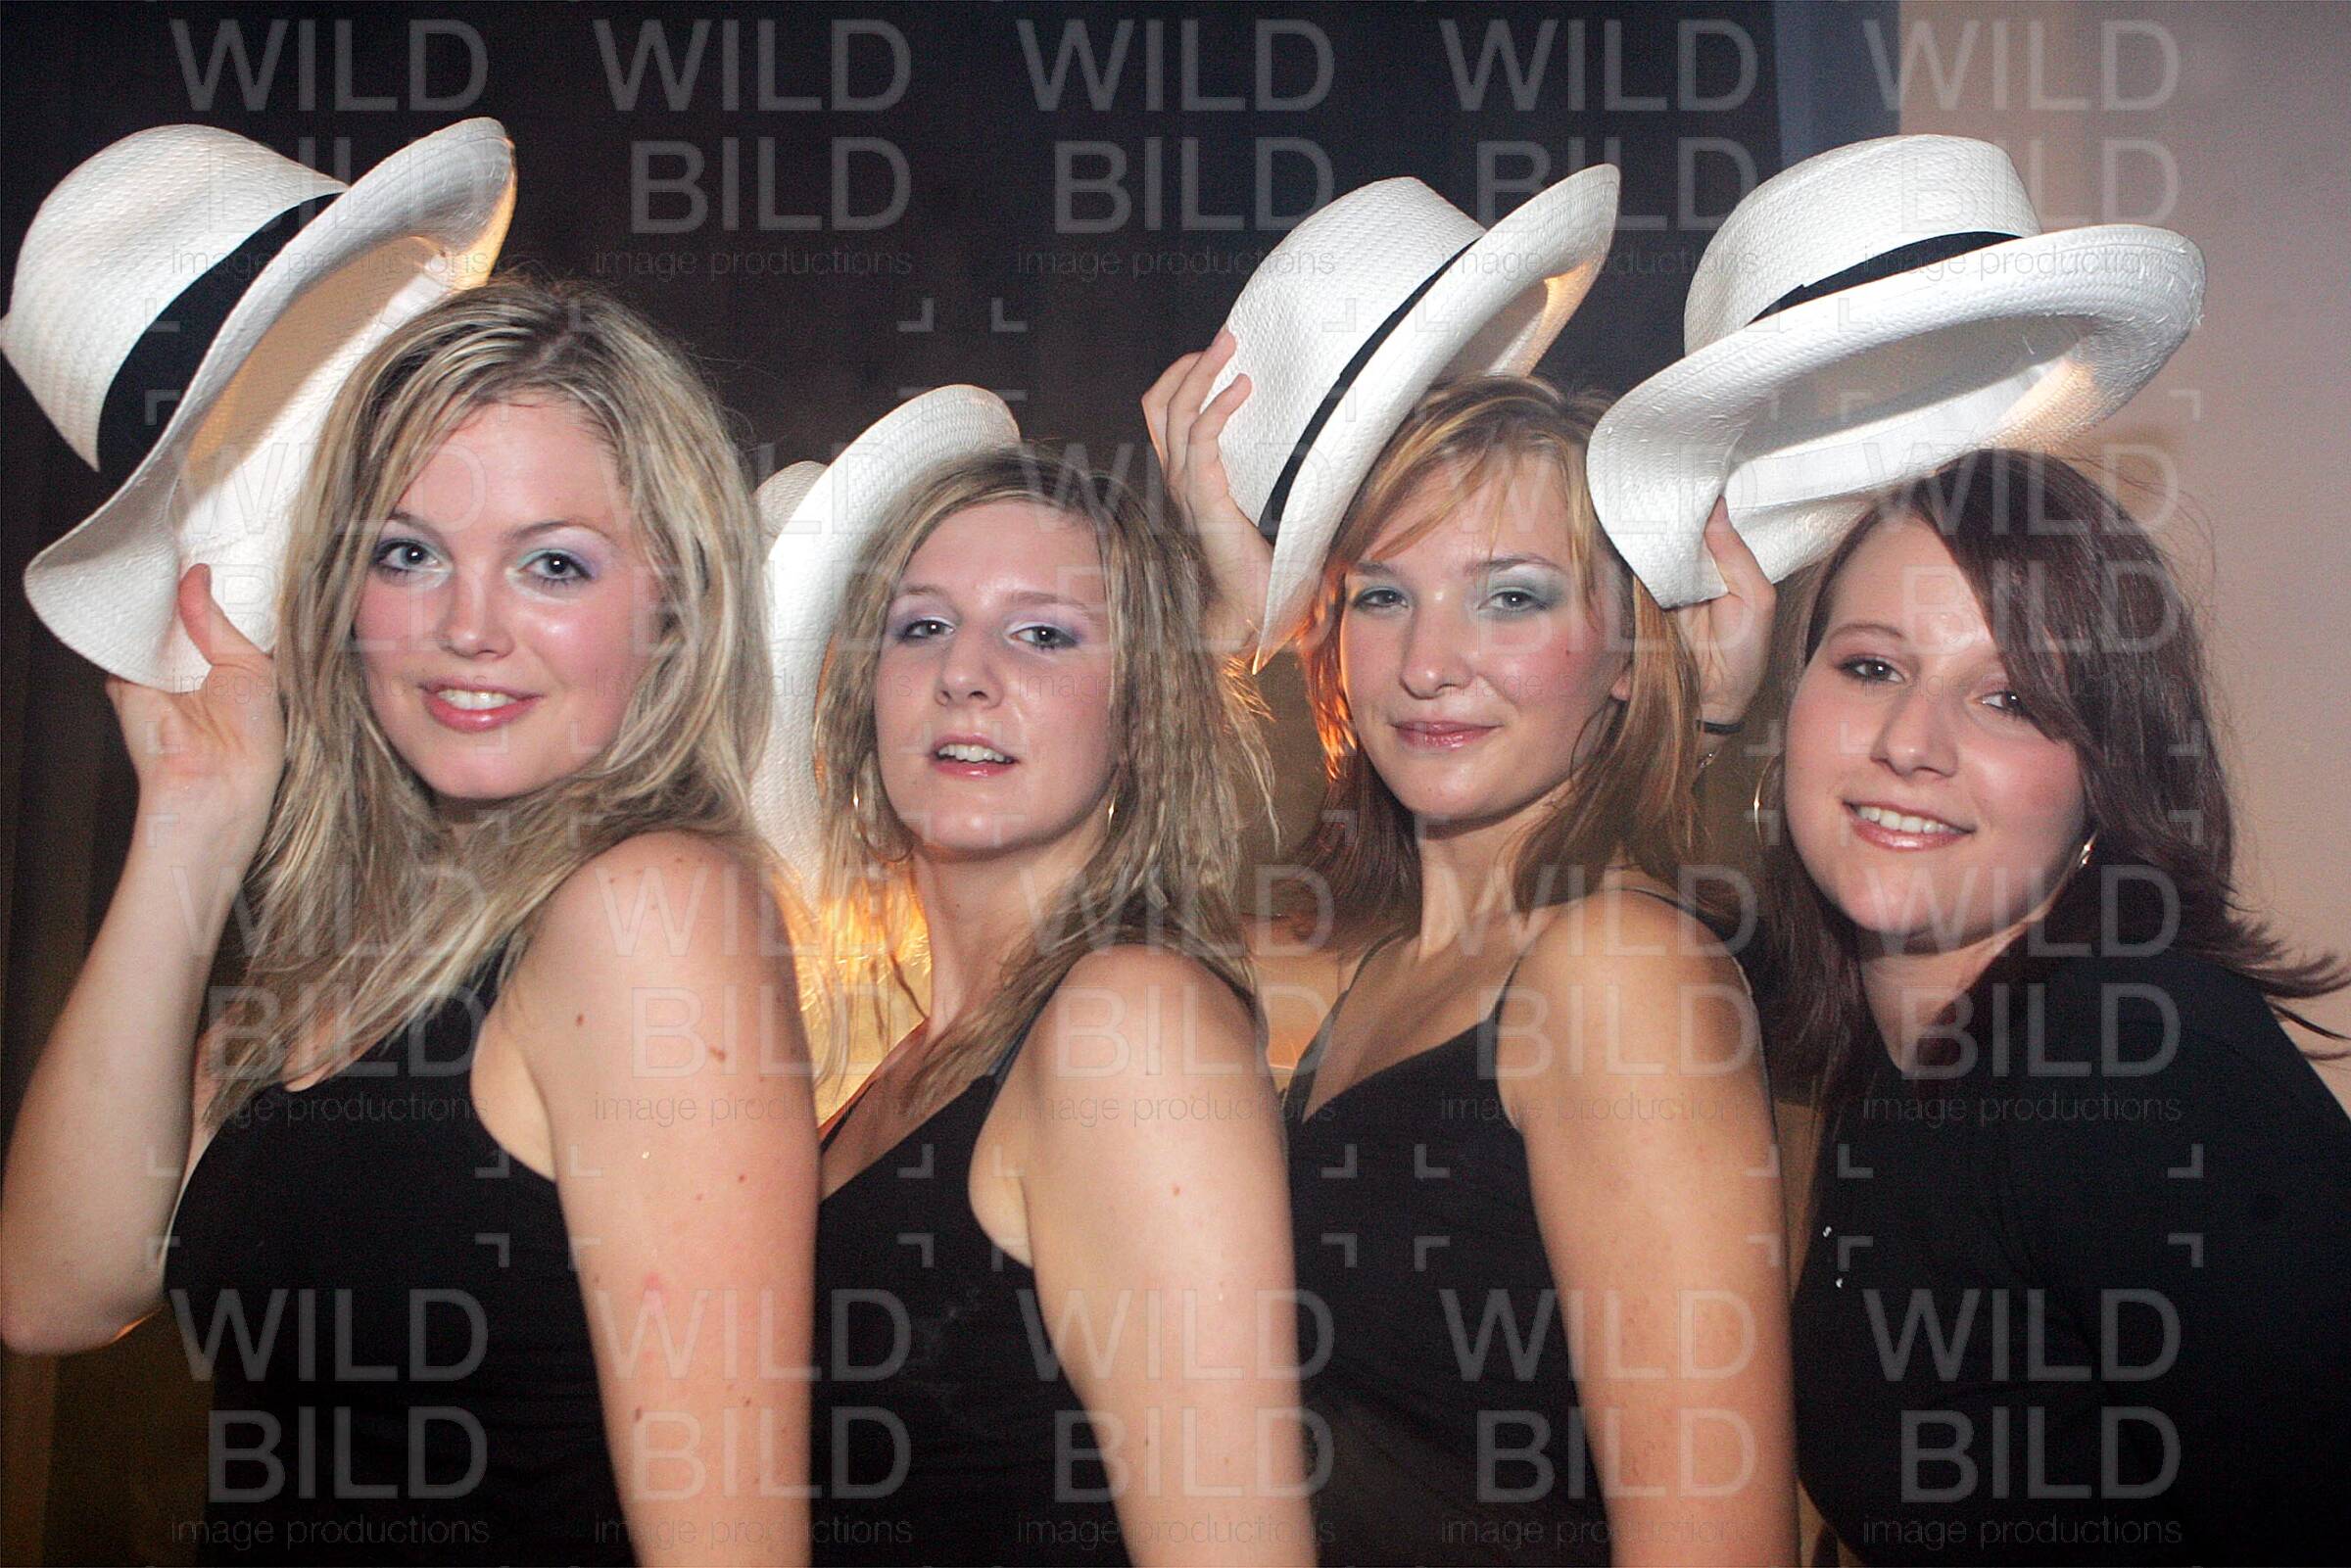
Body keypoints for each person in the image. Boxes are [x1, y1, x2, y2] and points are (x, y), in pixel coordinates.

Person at [0, 279, 818, 1566]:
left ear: (673, 605)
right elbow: (56, 1287)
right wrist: (193, 817)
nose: (466, 627)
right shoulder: (357, 944)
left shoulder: (654, 908)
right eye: (408, 553)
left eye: (553, 563)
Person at [1147, 348, 1797, 1565]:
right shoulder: (1380, 971)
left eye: (1511, 597)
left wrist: (1692, 722)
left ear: (1628, 650)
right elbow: (1091, 964)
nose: (1428, 661)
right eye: (1383, 597)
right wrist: (1239, 615)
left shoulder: (1621, 971)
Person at [1760, 449, 2351, 1564]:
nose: (1909, 743)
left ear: (2105, 774)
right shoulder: (1907, 1036)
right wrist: (1702, 704)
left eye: (2009, 699)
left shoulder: (2137, 1069)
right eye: (1872, 666)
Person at [798, 445, 1314, 1565]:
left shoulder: (1130, 1026)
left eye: (1042, 632)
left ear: (1141, 715)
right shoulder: (905, 1059)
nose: (963, 672)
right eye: (922, 625)